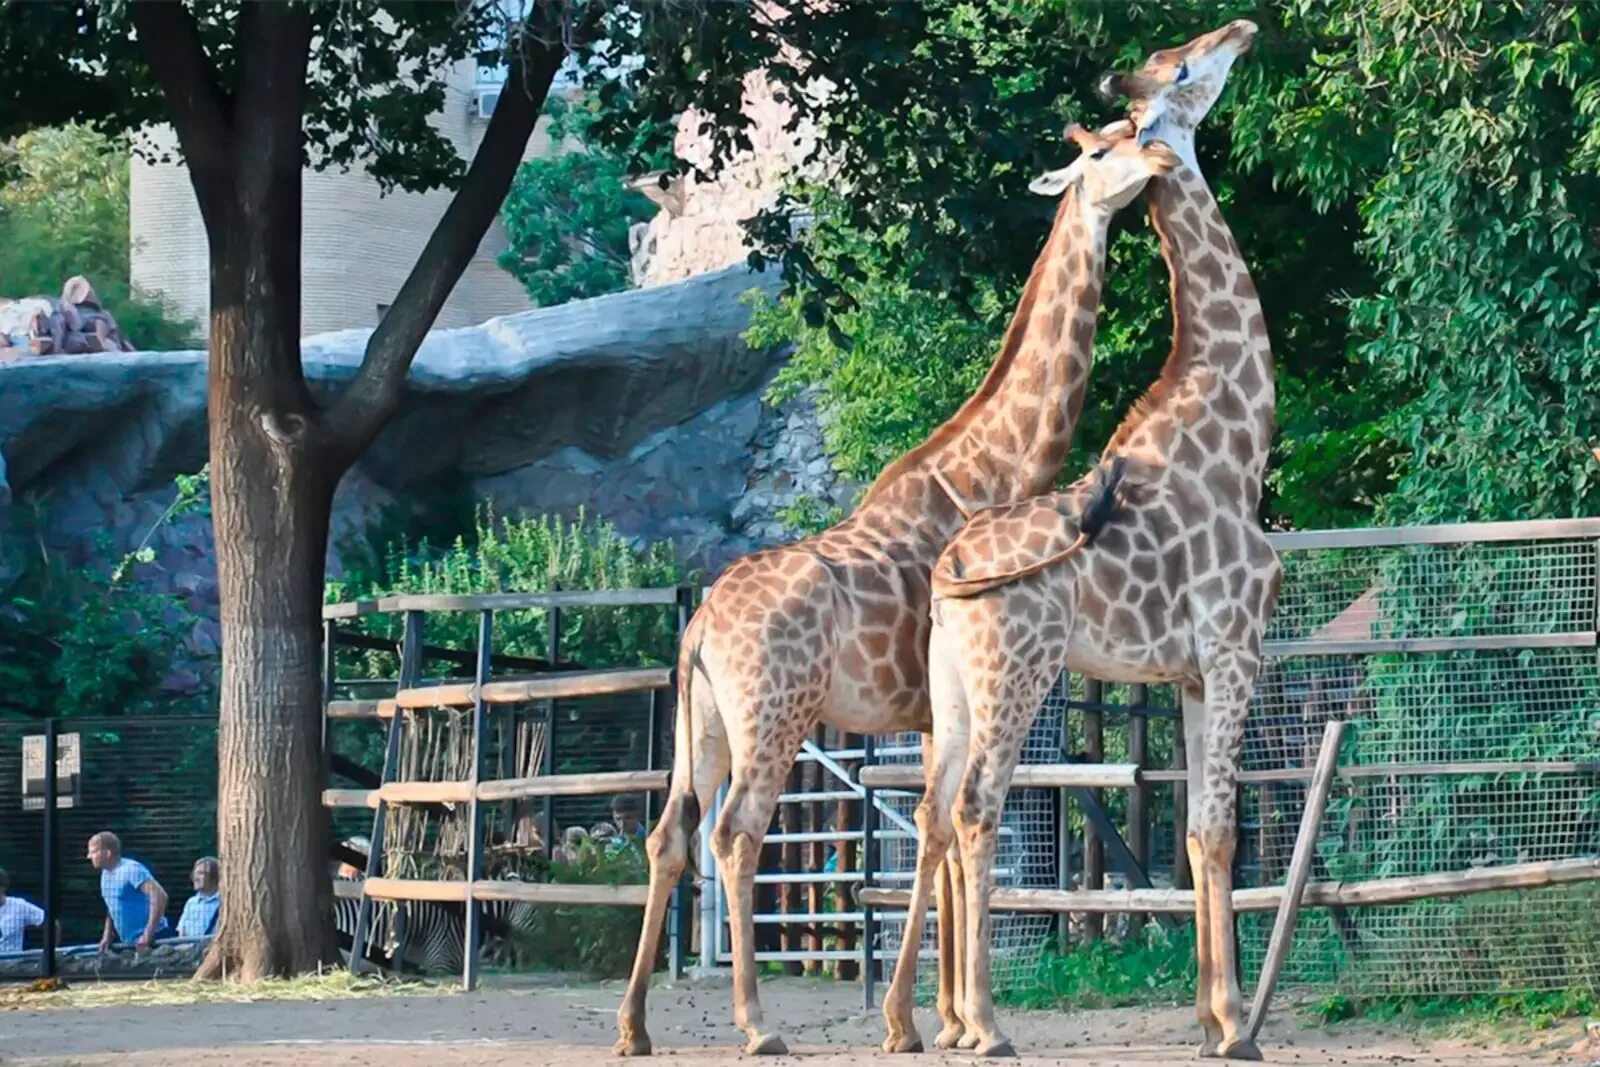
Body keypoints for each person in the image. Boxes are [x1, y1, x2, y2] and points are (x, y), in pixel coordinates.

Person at [86, 831, 171, 951]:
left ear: (108, 853)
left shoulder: (130, 869)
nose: (89, 856)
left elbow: (160, 895)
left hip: (156, 938)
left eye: (94, 852)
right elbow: (112, 905)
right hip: (130, 943)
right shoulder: (105, 874)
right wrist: (107, 935)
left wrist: (148, 933)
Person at [0, 867, 51, 955]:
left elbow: (52, 926)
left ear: (2, 888)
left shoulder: (18, 906)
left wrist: (50, 955)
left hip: (11, 965)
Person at [175, 856, 221, 939]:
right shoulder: (191, 903)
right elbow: (182, 934)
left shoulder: (224, 903)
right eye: (195, 873)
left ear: (215, 877)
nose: (196, 878)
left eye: (201, 873)